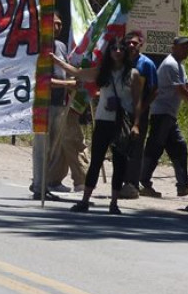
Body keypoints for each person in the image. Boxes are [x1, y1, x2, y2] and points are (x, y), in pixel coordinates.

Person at [56, 38, 143, 214]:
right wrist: (57, 61)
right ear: (109, 52)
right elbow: (78, 72)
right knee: (96, 161)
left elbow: (137, 101)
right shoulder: (102, 72)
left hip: (122, 123)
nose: (117, 51)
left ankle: (114, 203)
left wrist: (136, 124)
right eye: (114, 48)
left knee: (120, 163)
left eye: (121, 49)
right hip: (104, 120)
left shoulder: (133, 74)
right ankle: (85, 200)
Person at [140, 36, 188, 197]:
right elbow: (181, 90)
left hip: (168, 114)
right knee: (155, 148)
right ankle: (143, 182)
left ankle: (183, 185)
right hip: (162, 113)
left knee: (179, 148)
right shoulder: (170, 64)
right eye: (182, 47)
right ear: (173, 48)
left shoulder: (179, 65)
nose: (186, 51)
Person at [30, 13, 81, 199]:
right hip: (43, 103)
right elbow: (42, 80)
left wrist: (75, 80)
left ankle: (47, 182)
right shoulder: (38, 48)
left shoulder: (60, 46)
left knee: (55, 145)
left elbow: (64, 72)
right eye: (54, 24)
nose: (58, 28)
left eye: (60, 24)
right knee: (41, 146)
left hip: (60, 103)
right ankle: (38, 186)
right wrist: (68, 84)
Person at [122, 30, 157, 199]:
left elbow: (154, 90)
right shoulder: (121, 61)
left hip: (140, 113)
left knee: (136, 148)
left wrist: (142, 108)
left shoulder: (147, 64)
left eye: (134, 43)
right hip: (122, 111)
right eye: (128, 42)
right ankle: (122, 181)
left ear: (141, 44)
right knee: (122, 146)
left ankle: (133, 185)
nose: (131, 46)